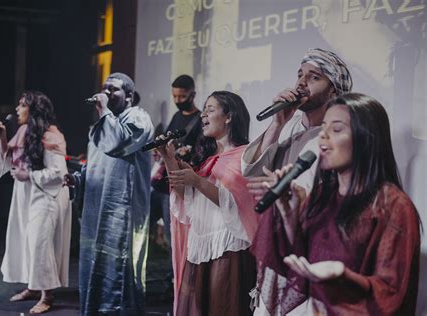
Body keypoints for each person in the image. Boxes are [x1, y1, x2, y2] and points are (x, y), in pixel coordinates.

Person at [251, 93, 421, 315]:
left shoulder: (393, 206)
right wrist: (291, 218)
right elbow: (301, 268)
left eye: (337, 129)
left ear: (366, 138)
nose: (323, 137)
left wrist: (344, 276)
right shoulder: (322, 195)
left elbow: (390, 293)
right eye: (323, 128)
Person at [241, 48, 353, 314]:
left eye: (314, 78)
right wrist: (277, 123)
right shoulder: (289, 129)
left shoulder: (338, 141)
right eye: (300, 75)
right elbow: (251, 174)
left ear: (334, 91)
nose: (301, 83)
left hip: (311, 259)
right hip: (275, 256)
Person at [157, 91, 259, 315]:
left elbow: (240, 206)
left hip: (228, 249)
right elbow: (188, 199)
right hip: (203, 247)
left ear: (229, 116)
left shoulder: (245, 157)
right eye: (204, 109)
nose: (203, 114)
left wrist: (199, 182)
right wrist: (168, 157)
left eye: (210, 109)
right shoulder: (208, 161)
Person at [64, 72, 154, 315]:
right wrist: (78, 178)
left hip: (122, 211)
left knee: (119, 269)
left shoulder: (139, 118)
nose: (106, 93)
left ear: (129, 96)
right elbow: (95, 163)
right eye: (105, 88)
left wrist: (103, 112)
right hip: (97, 208)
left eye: (113, 89)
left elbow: (118, 144)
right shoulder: (102, 124)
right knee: (94, 265)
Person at [0, 91, 71, 314]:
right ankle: (34, 287)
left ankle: (47, 295)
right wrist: (2, 139)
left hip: (47, 195)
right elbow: (3, 169)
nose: (17, 109)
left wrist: (30, 176)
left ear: (33, 110)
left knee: (39, 242)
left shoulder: (51, 136)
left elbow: (58, 173)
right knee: (27, 241)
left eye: (22, 105)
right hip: (25, 195)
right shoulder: (24, 132)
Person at [151, 74, 202, 251]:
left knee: (179, 234)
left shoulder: (200, 121)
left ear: (192, 95)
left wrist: (180, 155)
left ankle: (179, 275)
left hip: (182, 183)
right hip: (164, 182)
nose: (177, 100)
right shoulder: (176, 117)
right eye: (174, 96)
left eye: (182, 96)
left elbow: (199, 155)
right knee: (167, 232)